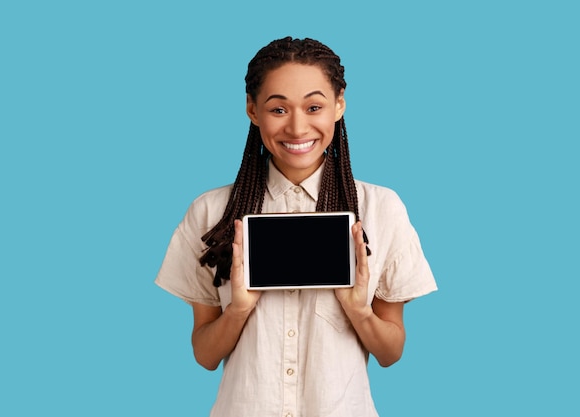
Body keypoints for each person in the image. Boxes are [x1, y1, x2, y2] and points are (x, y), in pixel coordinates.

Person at [155, 36, 437, 417]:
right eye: (278, 110)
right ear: (252, 110)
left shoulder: (381, 209)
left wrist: (359, 311)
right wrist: (238, 311)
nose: (297, 127)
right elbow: (204, 355)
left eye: (314, 106)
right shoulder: (211, 212)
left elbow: (391, 352)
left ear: (339, 105)